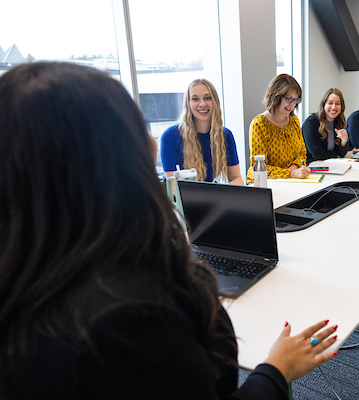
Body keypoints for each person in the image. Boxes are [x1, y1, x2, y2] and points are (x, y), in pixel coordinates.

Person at [0, 62, 339, 399]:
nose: (149, 142)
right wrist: (276, 372)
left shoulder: (34, 284)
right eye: (131, 129)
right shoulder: (133, 316)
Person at [161, 78, 244, 185]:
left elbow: (235, 177)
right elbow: (172, 186)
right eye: (195, 99)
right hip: (182, 199)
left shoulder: (225, 135)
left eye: (207, 98)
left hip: (212, 197)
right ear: (188, 104)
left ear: (215, 102)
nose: (202, 104)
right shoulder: (170, 136)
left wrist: (231, 195)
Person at [247, 74, 311, 184]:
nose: (292, 105)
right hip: (267, 184)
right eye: (288, 99)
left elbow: (302, 153)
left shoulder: (294, 121)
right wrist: (289, 173)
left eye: (295, 100)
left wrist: (294, 167)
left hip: (292, 182)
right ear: (276, 96)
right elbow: (259, 168)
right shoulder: (258, 124)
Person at [302, 88, 350, 164]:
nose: (334, 107)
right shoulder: (311, 122)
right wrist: (335, 155)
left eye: (337, 103)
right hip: (311, 165)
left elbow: (341, 154)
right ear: (323, 104)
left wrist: (344, 140)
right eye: (330, 103)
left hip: (330, 164)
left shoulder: (338, 122)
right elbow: (318, 155)